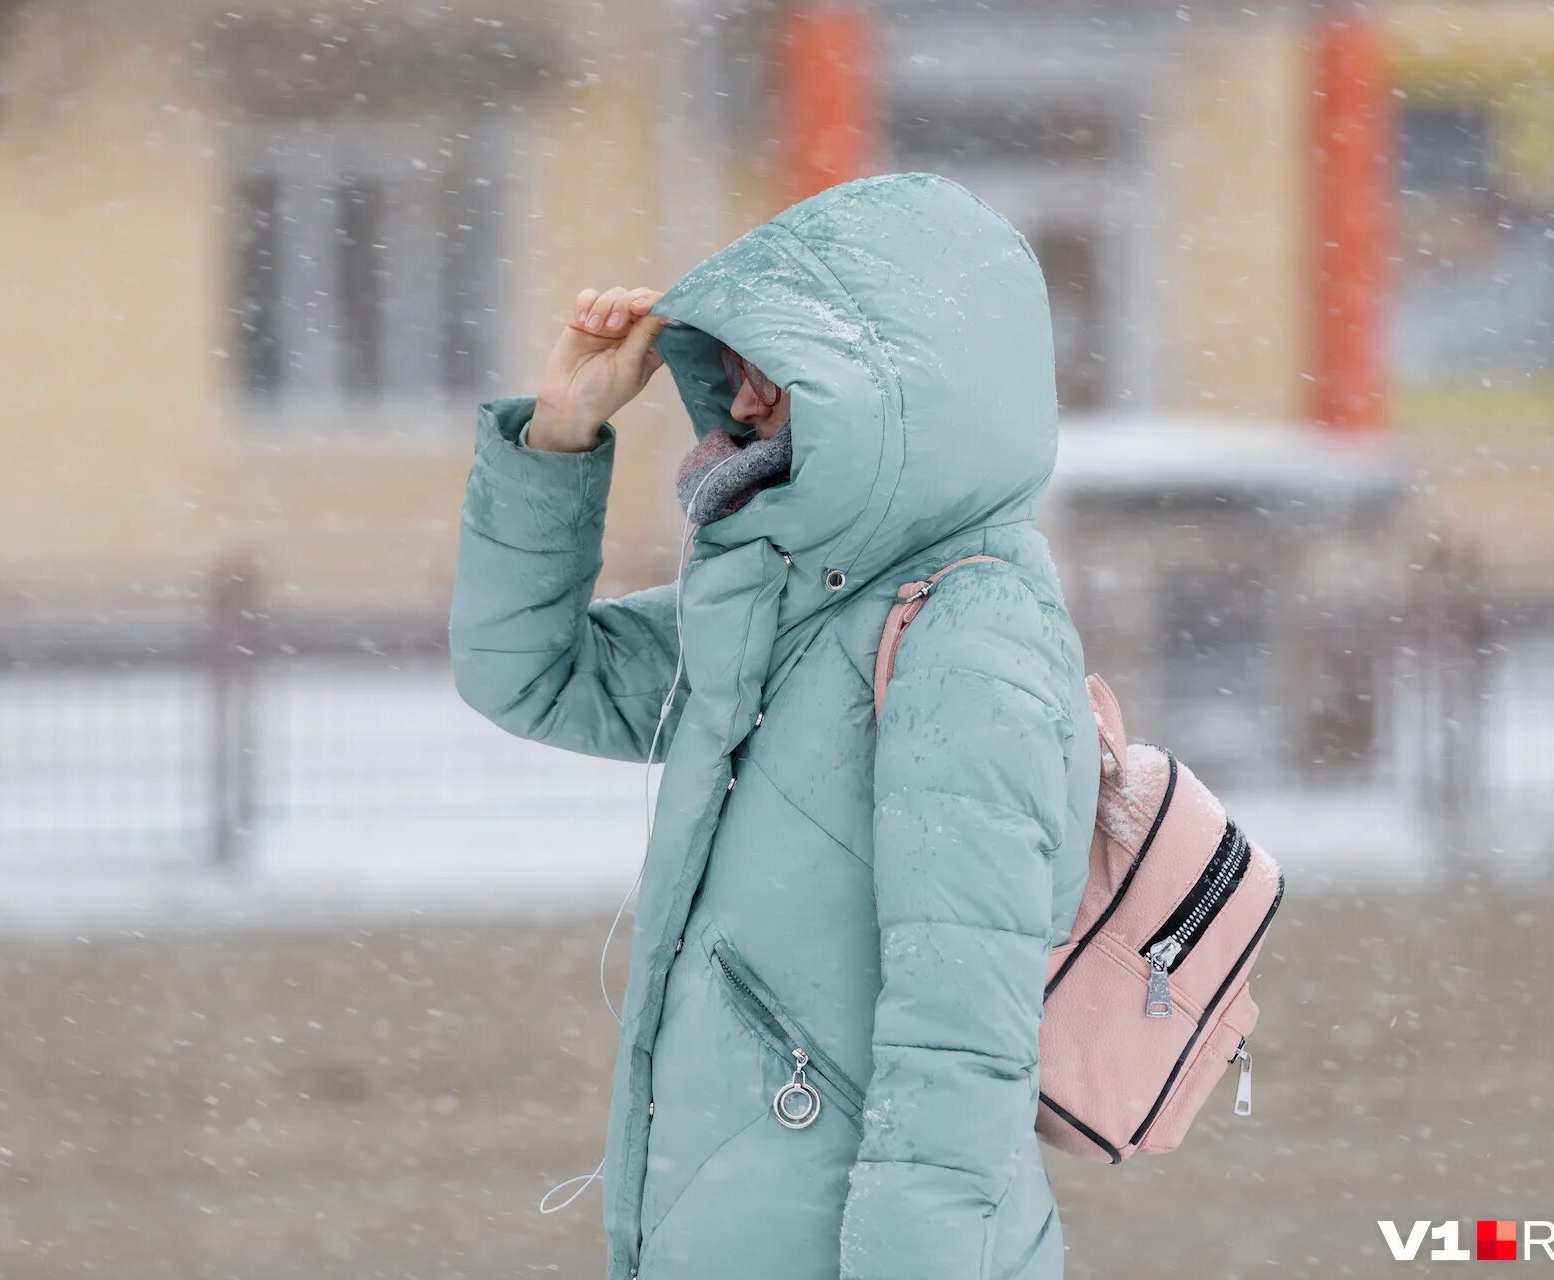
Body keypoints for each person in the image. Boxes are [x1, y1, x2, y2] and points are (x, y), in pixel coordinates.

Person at [448, 172, 1099, 1280]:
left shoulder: (967, 632)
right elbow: (532, 675)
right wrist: (560, 434)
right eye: (736, 368)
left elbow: (962, 1045)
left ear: (901, 393)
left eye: (782, 374)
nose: (741, 405)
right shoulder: (786, 599)